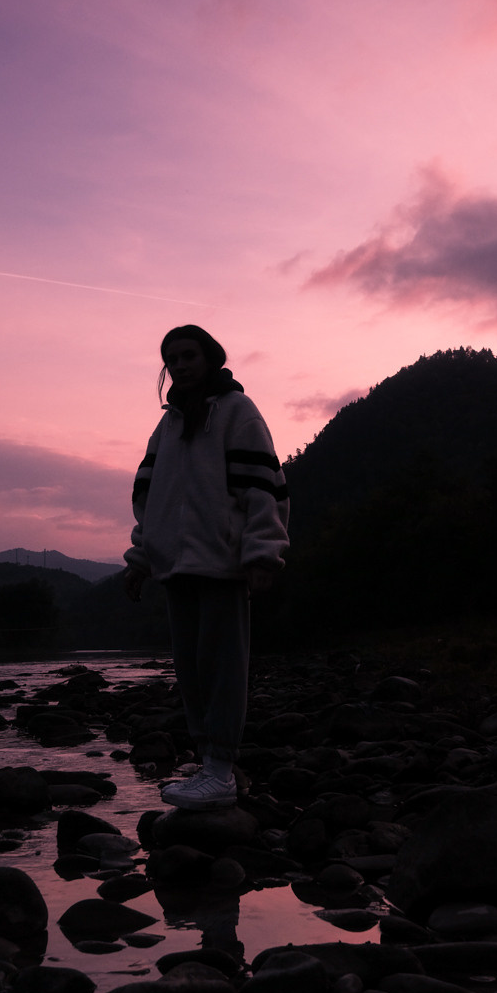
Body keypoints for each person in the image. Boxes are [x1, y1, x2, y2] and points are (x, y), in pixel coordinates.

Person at [123, 326, 290, 810]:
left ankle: (220, 767)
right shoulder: (168, 425)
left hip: (222, 563)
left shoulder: (239, 412)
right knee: (192, 670)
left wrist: (262, 553)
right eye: (172, 358)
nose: (181, 364)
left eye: (189, 354)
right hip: (175, 567)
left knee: (223, 668)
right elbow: (148, 501)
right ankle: (211, 765)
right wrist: (139, 560)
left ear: (211, 357)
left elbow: (262, 486)